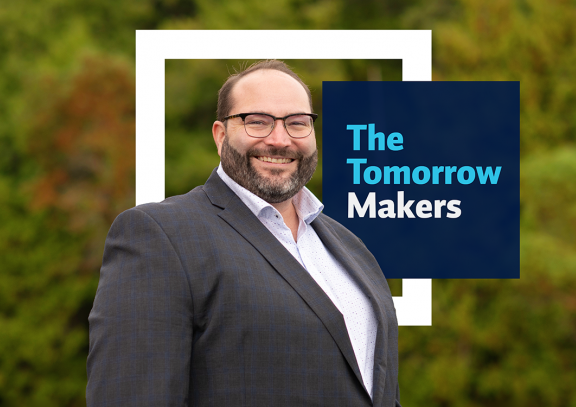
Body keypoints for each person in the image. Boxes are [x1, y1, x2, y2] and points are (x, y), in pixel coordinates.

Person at [87, 60, 401, 407]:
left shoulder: (350, 246)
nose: (280, 140)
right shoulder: (160, 236)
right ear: (221, 136)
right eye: (258, 122)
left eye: (297, 123)